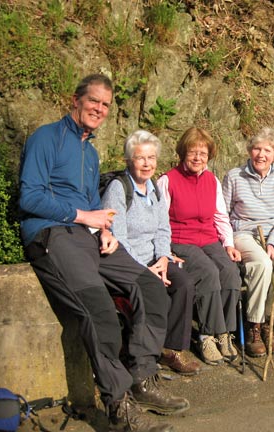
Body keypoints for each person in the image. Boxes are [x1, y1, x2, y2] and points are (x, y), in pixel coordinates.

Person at [18, 74, 187, 432]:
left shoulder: (91, 153)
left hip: (90, 236)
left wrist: (106, 229)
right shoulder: (46, 138)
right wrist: (86, 218)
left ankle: (142, 378)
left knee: (152, 287)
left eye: (106, 105)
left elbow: (95, 205)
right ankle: (119, 404)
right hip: (53, 234)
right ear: (75, 99)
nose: (99, 109)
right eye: (93, 101)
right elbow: (30, 197)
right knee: (98, 310)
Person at [101, 130, 200, 376]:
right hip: (128, 262)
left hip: (155, 259)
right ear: (128, 160)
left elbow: (163, 228)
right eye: (140, 158)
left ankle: (170, 349)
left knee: (184, 283)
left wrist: (164, 258)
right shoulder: (118, 189)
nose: (147, 164)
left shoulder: (153, 188)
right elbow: (119, 237)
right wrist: (145, 269)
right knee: (154, 289)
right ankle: (144, 355)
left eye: (152, 158)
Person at [157, 127, 241, 366]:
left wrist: (228, 244)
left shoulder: (211, 180)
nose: (197, 158)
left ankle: (224, 332)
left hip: (208, 238)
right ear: (183, 153)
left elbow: (220, 216)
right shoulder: (168, 181)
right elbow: (160, 220)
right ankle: (206, 335)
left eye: (202, 153)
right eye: (192, 152)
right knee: (208, 273)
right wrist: (164, 252)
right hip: (181, 240)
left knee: (230, 273)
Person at [222, 127, 274, 357]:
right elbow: (222, 213)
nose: (261, 155)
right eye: (257, 148)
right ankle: (253, 324)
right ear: (249, 150)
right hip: (244, 233)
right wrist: (227, 242)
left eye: (267, 150)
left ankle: (269, 322)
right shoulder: (234, 176)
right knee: (262, 264)